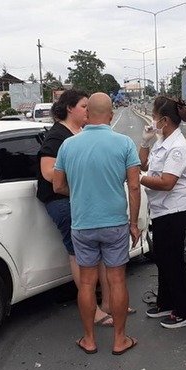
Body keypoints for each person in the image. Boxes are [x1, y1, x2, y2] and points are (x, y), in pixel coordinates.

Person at [52, 93, 142, 355]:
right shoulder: (124, 143)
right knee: (116, 281)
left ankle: (89, 339)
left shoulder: (68, 145)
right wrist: (134, 223)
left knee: (88, 283)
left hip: (82, 224)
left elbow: (57, 185)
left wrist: (80, 192)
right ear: (111, 116)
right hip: (115, 222)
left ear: (87, 114)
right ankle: (119, 339)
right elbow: (134, 186)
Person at [37, 89, 120, 327]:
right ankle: (92, 309)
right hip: (63, 201)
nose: (88, 110)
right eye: (84, 106)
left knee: (102, 253)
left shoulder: (81, 134)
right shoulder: (57, 137)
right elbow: (48, 172)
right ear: (69, 108)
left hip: (84, 199)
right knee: (80, 256)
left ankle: (109, 303)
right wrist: (82, 176)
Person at [138, 96, 186, 329]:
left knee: (173, 262)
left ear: (164, 119)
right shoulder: (163, 141)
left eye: (154, 117)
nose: (152, 120)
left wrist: (139, 179)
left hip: (175, 210)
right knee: (162, 258)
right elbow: (143, 164)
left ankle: (185, 311)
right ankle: (166, 303)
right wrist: (145, 142)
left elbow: (167, 182)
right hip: (161, 210)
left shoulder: (178, 147)